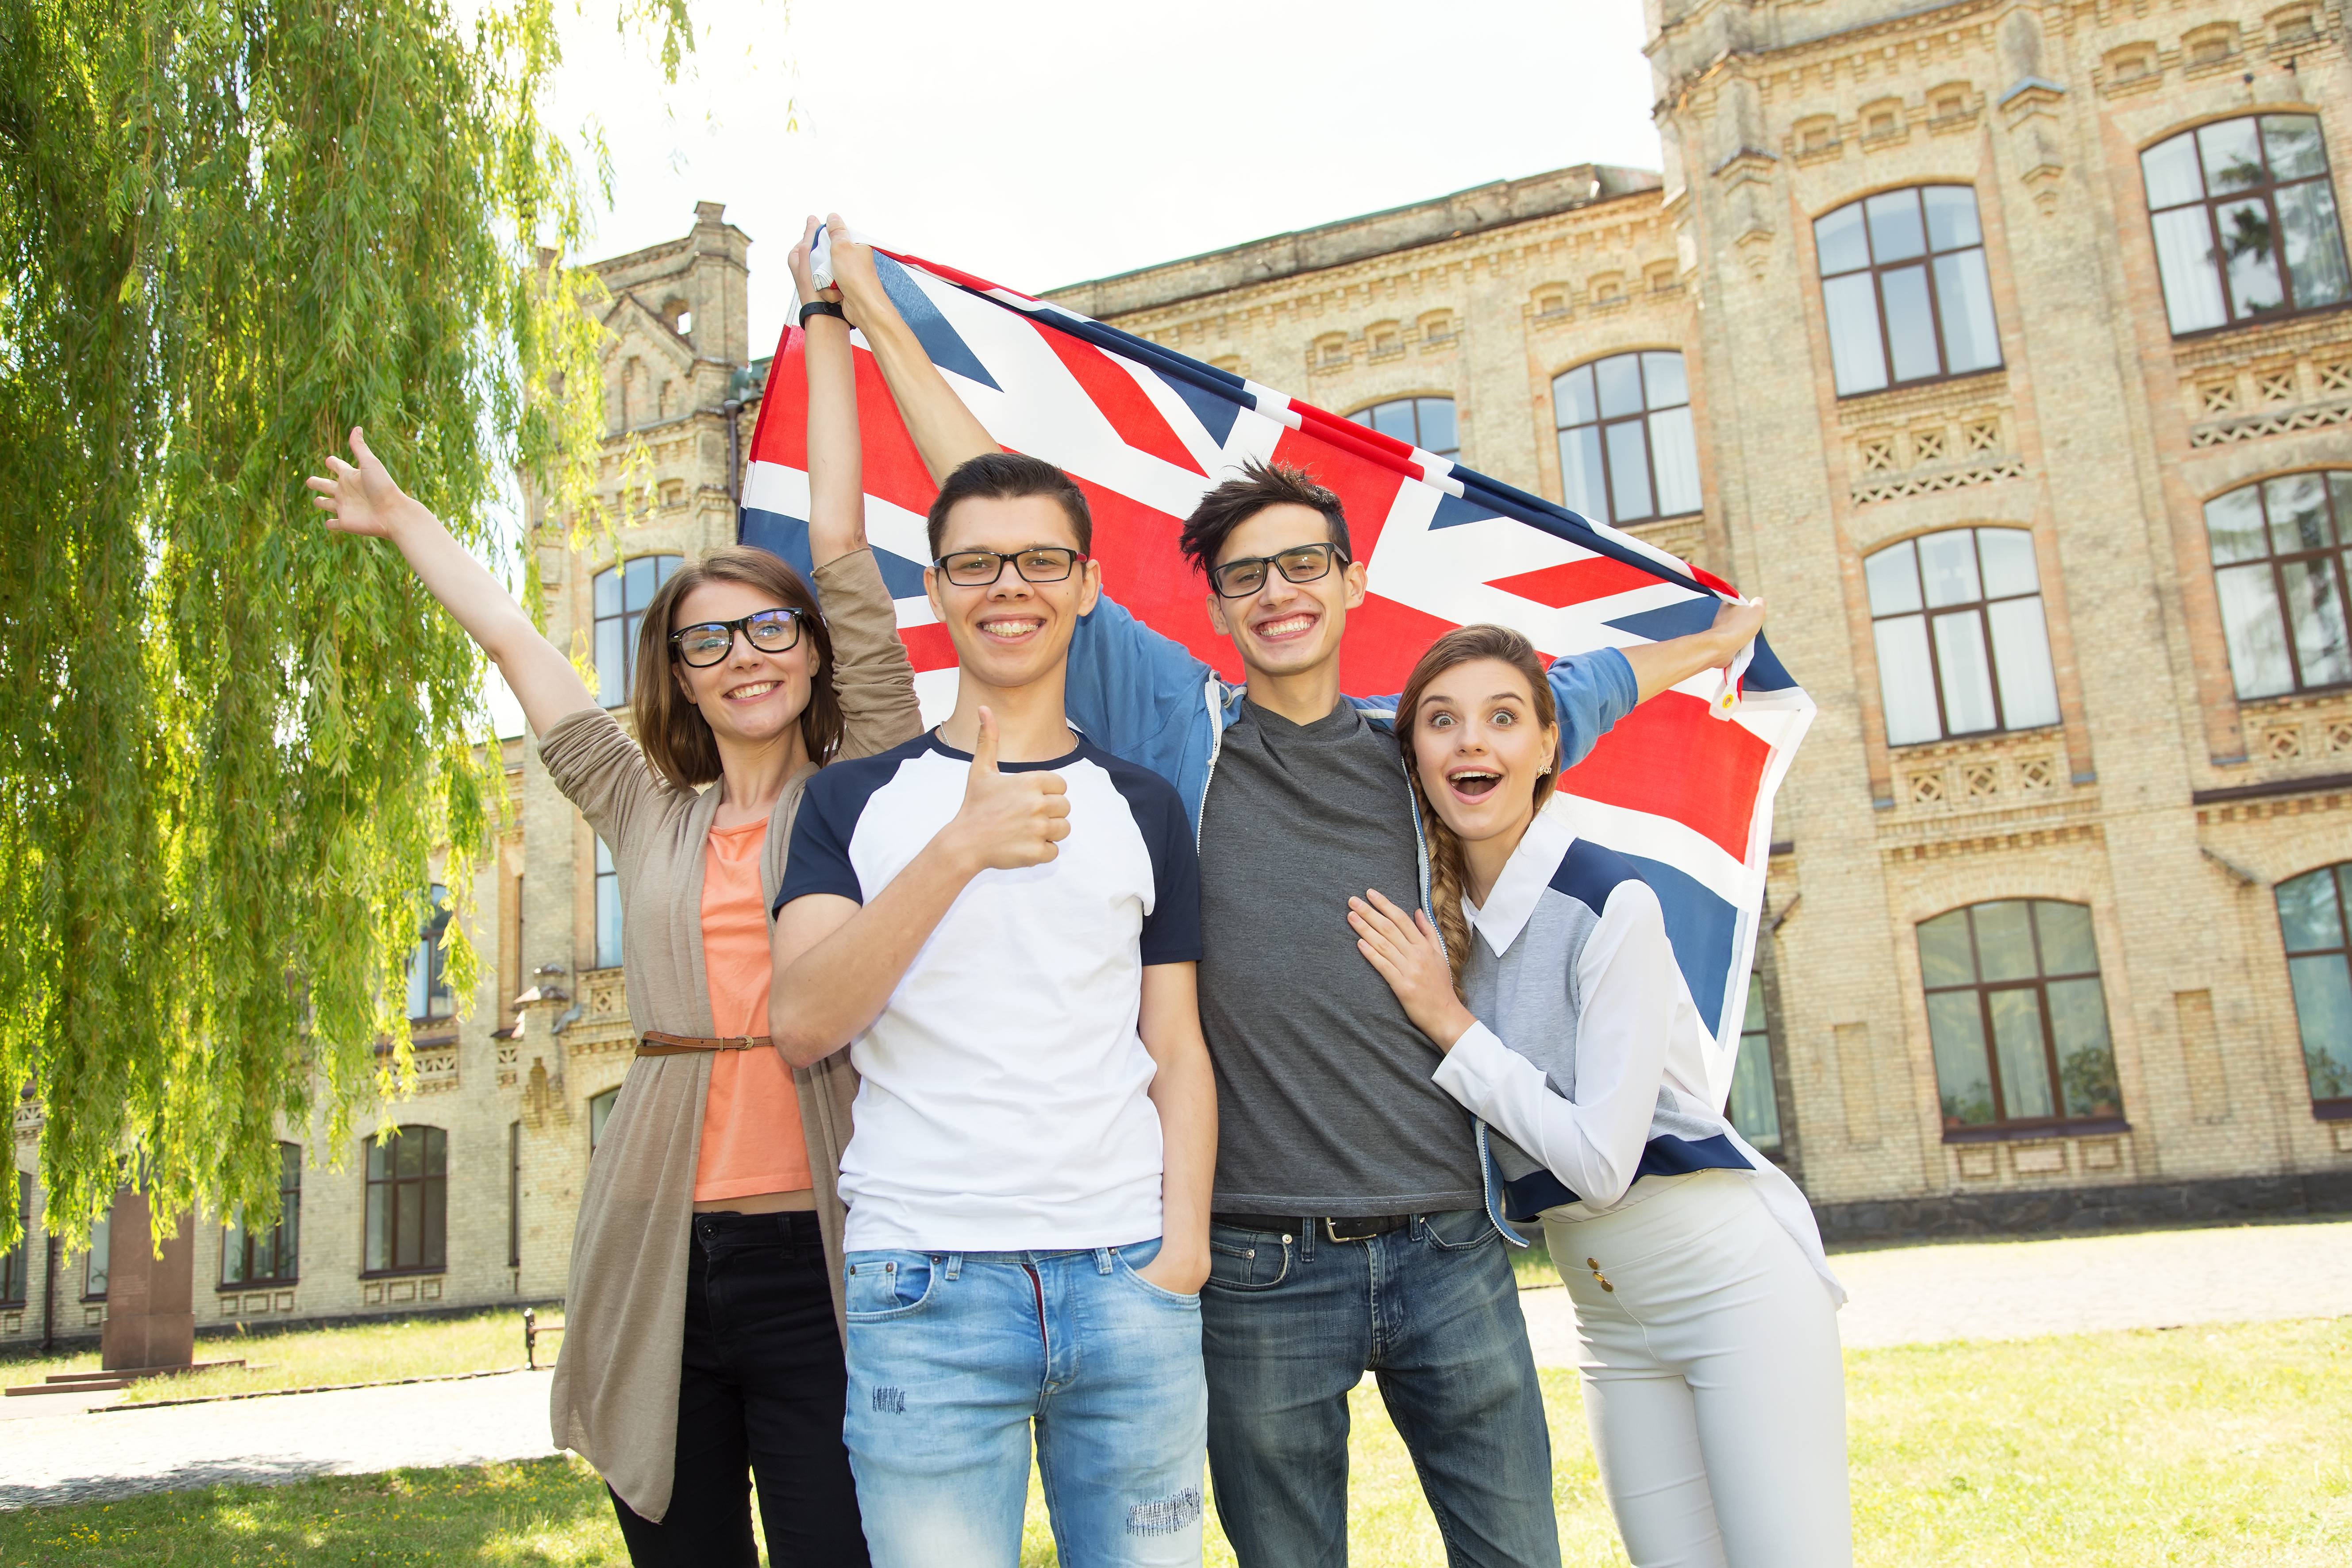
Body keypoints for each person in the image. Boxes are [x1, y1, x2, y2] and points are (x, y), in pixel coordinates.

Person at [827, 220, 1765, 1566]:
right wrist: (872, 309)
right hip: (1260, 1268)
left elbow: (1595, 686)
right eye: (1246, 575)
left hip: (1449, 1246)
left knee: (1517, 1554)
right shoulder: (1175, 725)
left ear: (1350, 583)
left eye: (1301, 566)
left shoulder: (1429, 742)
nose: (1276, 593)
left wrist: (1717, 639)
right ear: (1213, 605)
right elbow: (997, 504)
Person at [305, 215, 917, 1566]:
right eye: (706, 641)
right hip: (658, 1253)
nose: (744, 656)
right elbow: (519, 639)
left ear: (814, 657)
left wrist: (827, 322)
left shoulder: (869, 785)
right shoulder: (643, 806)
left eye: (770, 629)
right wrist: (405, 520)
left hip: (826, 1253)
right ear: (680, 677)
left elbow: (839, 540)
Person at [767, 446, 1218, 1567]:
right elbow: (804, 1022)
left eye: (1039, 560)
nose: (1007, 585)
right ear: (934, 588)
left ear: (1087, 585)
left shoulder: (1145, 803)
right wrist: (958, 849)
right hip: (926, 1287)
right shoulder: (852, 801)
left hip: (1128, 1280)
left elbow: (1176, 1044)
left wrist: (1186, 1254)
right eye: (974, 562)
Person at [1348, 624, 1851, 1568]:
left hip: (1728, 1282)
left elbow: (1600, 1162)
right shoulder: (1445, 919)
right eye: (1442, 721)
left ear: (1548, 745)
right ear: (1413, 752)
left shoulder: (1612, 901)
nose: (1471, 743)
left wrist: (1447, 1020)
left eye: (1504, 718)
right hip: (1605, 1310)